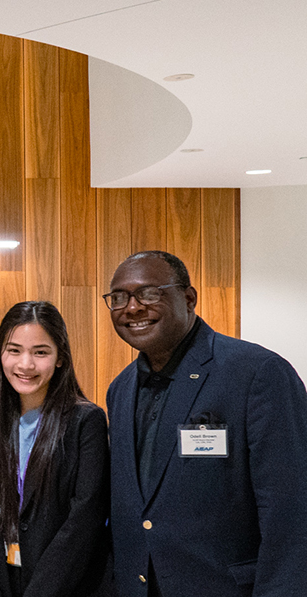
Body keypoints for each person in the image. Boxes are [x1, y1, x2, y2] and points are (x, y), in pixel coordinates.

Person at [101, 251, 307, 597]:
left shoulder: (256, 373)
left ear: (189, 297)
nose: (132, 308)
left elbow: (291, 513)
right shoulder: (120, 390)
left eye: (149, 293)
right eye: (119, 298)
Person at [0, 301, 109, 597]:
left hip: (64, 586)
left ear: (60, 358)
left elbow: (84, 519)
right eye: (14, 350)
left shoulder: (86, 421)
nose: (25, 365)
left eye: (40, 352)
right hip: (3, 582)